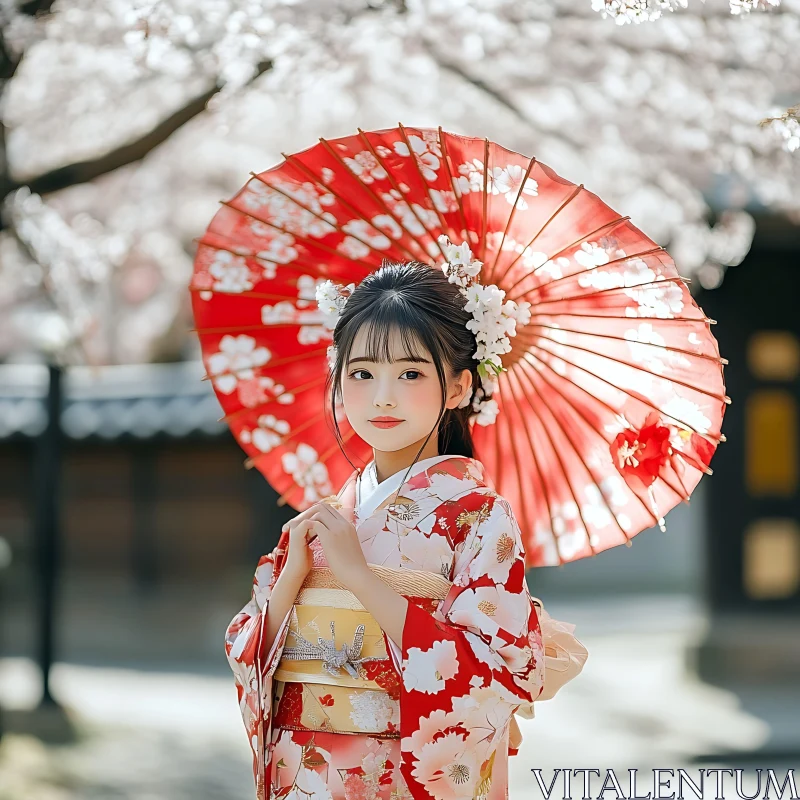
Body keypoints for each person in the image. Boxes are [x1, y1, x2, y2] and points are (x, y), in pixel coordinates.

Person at [224, 251, 555, 800]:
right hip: (305, 771)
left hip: (401, 773)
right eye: (361, 372)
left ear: (457, 388)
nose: (382, 395)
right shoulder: (324, 519)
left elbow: (497, 675)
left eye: (409, 372)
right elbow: (248, 652)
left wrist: (360, 578)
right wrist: (291, 578)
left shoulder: (480, 518)